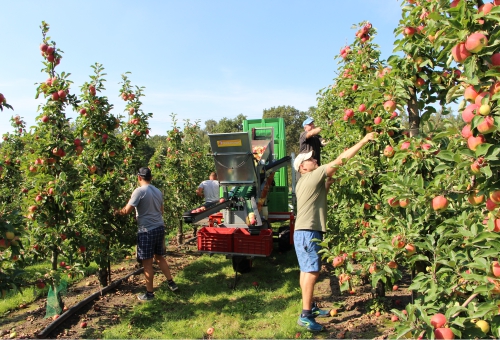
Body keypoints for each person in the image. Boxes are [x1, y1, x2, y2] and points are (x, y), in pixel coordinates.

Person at [293, 132, 377, 331]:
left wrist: (327, 187)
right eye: (310, 159)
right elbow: (340, 161)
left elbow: (316, 197)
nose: (314, 159)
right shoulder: (313, 175)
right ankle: (305, 315)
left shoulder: (303, 183)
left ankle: (309, 307)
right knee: (312, 271)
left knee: (306, 270)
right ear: (303, 167)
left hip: (303, 231)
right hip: (308, 231)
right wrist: (364, 140)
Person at [115, 167, 178, 301]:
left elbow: (126, 211)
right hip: (159, 227)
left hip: (146, 231)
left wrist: (115, 212)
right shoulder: (158, 191)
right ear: (151, 178)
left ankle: (149, 294)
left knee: (147, 263)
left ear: (139, 178)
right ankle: (171, 283)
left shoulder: (139, 191)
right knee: (160, 257)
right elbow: (161, 211)